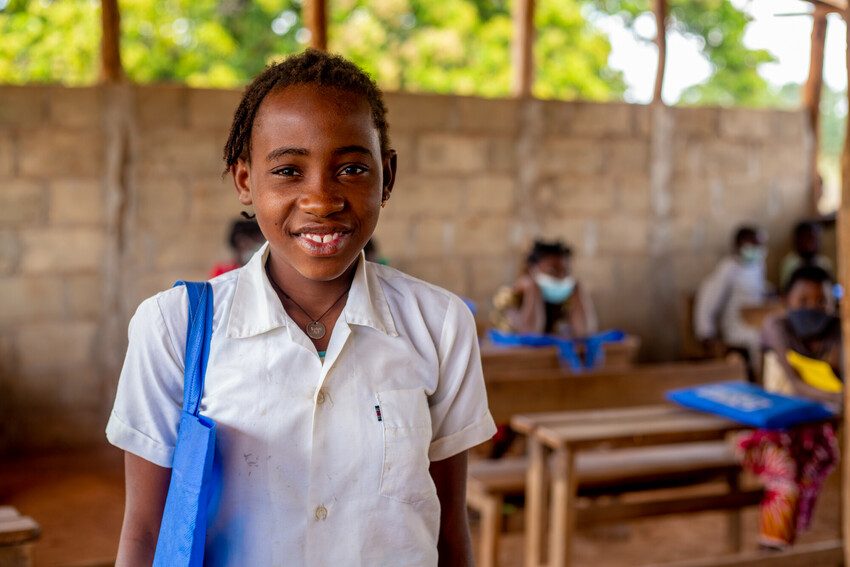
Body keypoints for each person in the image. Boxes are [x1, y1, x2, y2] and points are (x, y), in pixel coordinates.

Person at [106, 50, 496, 566]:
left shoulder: (440, 324)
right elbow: (145, 530)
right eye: (289, 170)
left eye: (352, 168)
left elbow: (449, 531)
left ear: (388, 177)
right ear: (246, 180)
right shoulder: (174, 327)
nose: (321, 198)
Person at [739, 265, 841, 549]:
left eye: (822, 301)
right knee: (785, 470)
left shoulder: (836, 331)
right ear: (786, 301)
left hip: (814, 429)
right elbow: (795, 386)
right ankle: (773, 546)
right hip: (773, 429)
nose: (813, 307)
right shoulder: (776, 327)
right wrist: (838, 398)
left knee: (814, 460)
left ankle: (783, 542)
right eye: (803, 301)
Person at [694, 225, 769, 374]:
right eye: (752, 245)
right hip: (736, 326)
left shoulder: (758, 266)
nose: (756, 249)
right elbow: (708, 302)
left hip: (755, 321)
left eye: (759, 245)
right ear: (738, 245)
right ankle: (758, 378)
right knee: (757, 339)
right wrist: (706, 333)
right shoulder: (727, 269)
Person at [491, 240, 597, 338]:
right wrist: (532, 289)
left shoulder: (566, 299)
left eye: (566, 272)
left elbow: (585, 333)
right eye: (552, 272)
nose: (560, 278)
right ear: (531, 270)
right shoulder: (511, 299)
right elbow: (530, 334)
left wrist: (577, 290)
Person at [778, 221, 833, 292]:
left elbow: (831, 287)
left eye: (813, 239)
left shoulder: (824, 262)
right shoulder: (790, 262)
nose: (809, 244)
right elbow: (785, 289)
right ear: (797, 241)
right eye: (805, 239)